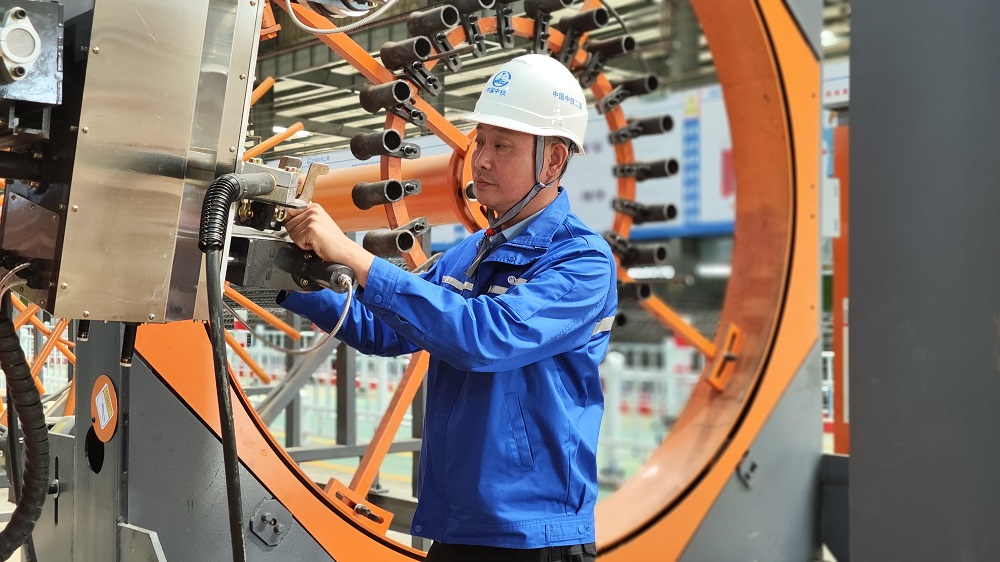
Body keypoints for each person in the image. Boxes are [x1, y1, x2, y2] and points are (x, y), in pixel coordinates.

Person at [278, 53, 617, 562]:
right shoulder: (470, 252)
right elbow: (381, 328)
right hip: (458, 526)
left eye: (502, 146)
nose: (481, 160)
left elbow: (484, 337)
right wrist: (285, 275)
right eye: (481, 141)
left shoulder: (581, 260)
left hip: (534, 536)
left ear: (553, 161)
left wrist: (353, 255)